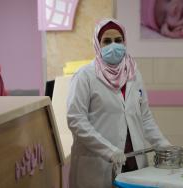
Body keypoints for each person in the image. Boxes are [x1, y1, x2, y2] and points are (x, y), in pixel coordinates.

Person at [67, 19, 171, 188]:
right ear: (97, 44)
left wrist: (163, 145)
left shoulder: (133, 74)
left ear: (125, 42)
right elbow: (76, 120)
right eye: (107, 41)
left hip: (133, 162)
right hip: (98, 164)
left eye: (118, 40)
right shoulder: (85, 76)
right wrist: (108, 150)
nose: (113, 46)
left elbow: (144, 118)